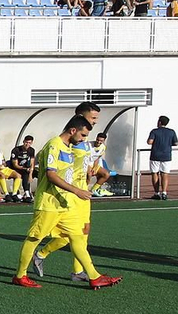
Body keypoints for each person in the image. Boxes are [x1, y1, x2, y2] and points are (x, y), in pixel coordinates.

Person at [13, 115, 120, 291]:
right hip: (49, 203)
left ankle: (94, 276)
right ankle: (20, 275)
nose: (84, 139)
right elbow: (51, 174)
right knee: (34, 238)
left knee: (77, 236)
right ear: (73, 131)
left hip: (64, 203)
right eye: (83, 135)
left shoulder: (69, 147)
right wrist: (77, 190)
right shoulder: (54, 144)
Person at [146, 115, 178, 200]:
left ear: (159, 122)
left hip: (155, 155)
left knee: (154, 173)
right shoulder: (171, 132)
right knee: (165, 174)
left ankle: (156, 193)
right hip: (166, 155)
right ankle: (164, 192)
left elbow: (149, 142)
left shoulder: (154, 131)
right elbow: (176, 143)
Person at [8, 136, 37, 201]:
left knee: (39, 173)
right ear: (23, 141)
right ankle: (27, 194)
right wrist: (26, 169)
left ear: (32, 143)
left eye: (29, 143)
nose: (27, 144)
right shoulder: (16, 150)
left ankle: (39, 192)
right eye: (26, 142)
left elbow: (32, 163)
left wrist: (31, 174)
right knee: (25, 173)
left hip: (27, 169)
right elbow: (15, 165)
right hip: (18, 169)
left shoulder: (31, 150)